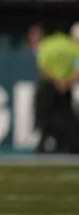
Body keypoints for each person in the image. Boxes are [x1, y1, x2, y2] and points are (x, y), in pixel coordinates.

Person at [34, 23, 79, 153]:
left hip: (48, 85)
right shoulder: (74, 48)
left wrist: (55, 81)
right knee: (67, 117)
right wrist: (64, 82)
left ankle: (43, 146)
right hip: (65, 87)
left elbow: (42, 67)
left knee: (45, 117)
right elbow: (77, 70)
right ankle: (70, 146)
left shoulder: (48, 44)